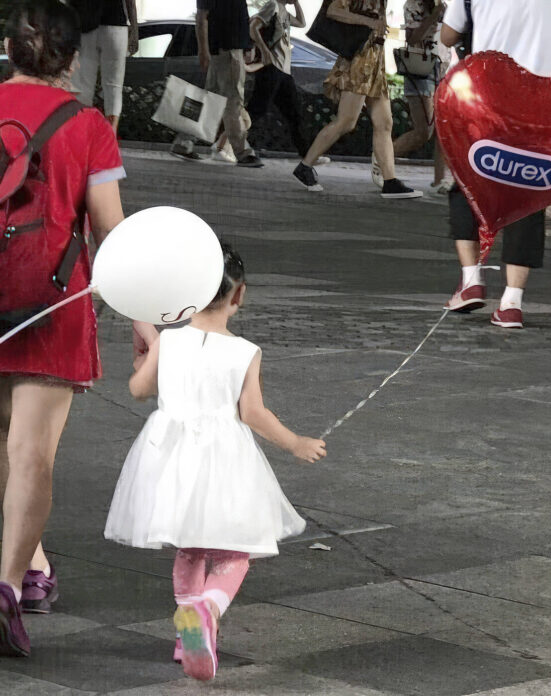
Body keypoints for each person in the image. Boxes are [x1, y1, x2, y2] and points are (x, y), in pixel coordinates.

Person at [104, 245, 326, 682]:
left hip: (169, 457)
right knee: (236, 551)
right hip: (225, 459)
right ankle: (208, 608)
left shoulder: (169, 341)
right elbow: (253, 413)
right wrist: (295, 443)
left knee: (189, 546)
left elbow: (138, 390)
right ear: (239, 295)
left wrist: (147, 354)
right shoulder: (245, 352)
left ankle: (187, 627)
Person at [0, 0, 126, 656]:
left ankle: (32, 567)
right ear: (74, 59)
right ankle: (9, 584)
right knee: (31, 453)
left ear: (9, 49)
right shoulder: (88, 125)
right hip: (51, 301)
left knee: (3, 446)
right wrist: (145, 320)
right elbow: (111, 232)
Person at [441, 0, 551, 328]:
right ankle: (512, 303)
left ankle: (471, 280)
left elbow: (448, 36)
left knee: (468, 183)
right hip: (537, 103)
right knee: (527, 195)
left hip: (483, 98)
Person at [292, 0, 422, 198]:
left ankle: (390, 181)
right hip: (360, 59)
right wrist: (370, 22)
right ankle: (305, 166)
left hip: (373, 59)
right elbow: (334, 10)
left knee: (384, 123)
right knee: (346, 121)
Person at [173, 0, 263, 167]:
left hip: (223, 49)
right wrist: (203, 50)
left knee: (208, 100)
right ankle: (242, 152)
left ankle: (183, 142)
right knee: (233, 101)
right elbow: (202, 17)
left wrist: (246, 45)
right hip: (227, 49)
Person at [247, 0, 328, 165]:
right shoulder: (272, 6)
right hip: (271, 67)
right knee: (257, 110)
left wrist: (296, 3)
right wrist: (264, 51)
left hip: (283, 71)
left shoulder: (283, 11)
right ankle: (225, 142)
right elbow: (253, 28)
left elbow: (301, 23)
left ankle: (307, 155)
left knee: (294, 113)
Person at [391, 0, 451, 192]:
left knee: (442, 129)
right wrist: (433, 16)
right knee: (423, 132)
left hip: (442, 70)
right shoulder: (413, 5)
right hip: (420, 69)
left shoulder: (444, 6)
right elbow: (412, 39)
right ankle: (382, 159)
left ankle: (440, 180)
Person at [69, 0, 139, 134]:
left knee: (82, 88)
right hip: (116, 25)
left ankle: (81, 136)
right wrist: (135, 30)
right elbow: (130, 2)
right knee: (114, 88)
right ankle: (110, 138)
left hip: (85, 25)